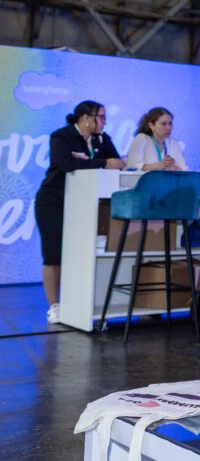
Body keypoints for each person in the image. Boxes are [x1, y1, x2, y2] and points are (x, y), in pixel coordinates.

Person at [35, 101, 125, 322]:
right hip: (53, 201)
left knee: (82, 254)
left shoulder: (102, 138)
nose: (104, 122)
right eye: (101, 117)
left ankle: (81, 302)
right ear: (86, 118)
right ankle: (55, 305)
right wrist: (101, 162)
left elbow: (118, 162)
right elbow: (66, 164)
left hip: (86, 203)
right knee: (53, 255)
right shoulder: (62, 136)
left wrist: (96, 161)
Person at [125, 107, 189, 171]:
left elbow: (184, 169)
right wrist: (160, 165)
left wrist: (174, 168)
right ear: (151, 126)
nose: (168, 127)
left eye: (170, 124)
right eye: (163, 124)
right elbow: (133, 167)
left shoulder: (173, 143)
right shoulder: (141, 139)